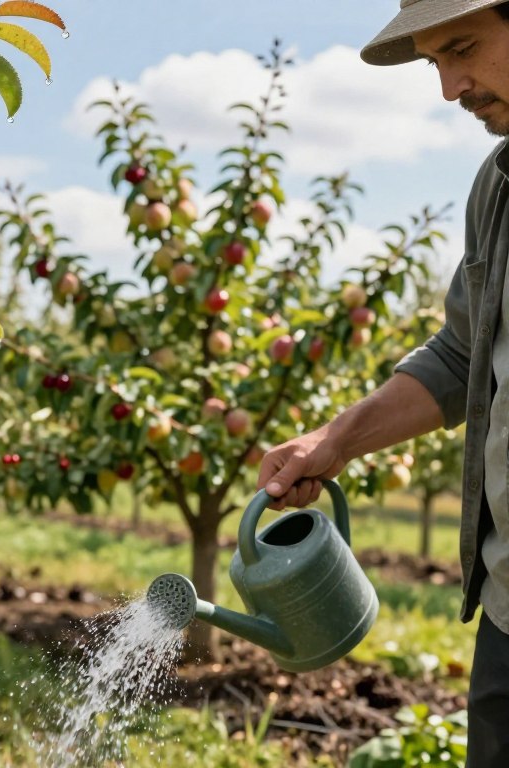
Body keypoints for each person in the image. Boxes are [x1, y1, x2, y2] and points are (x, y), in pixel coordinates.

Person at [257, 2, 509, 765]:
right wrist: (334, 440)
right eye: (436, 62)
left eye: (462, 49)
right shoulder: (498, 189)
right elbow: (463, 357)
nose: (450, 87)